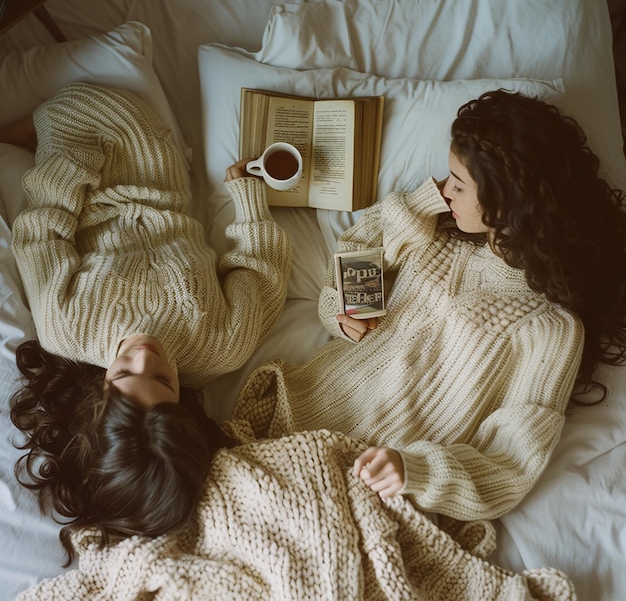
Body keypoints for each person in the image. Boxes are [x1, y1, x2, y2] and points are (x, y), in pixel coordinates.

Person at [233, 89, 626, 522]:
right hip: (313, 411)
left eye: (459, 184)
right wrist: (345, 314)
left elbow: (510, 462)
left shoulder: (551, 328)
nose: (445, 190)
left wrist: (415, 471)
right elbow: (360, 247)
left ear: (508, 202)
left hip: (385, 485)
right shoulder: (437, 233)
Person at [6, 82, 292, 561]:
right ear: (184, 407)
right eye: (163, 379)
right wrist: (249, 193)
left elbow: (41, 233)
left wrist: (74, 162)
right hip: (152, 161)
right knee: (92, 109)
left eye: (122, 374)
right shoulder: (221, 344)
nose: (143, 354)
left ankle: (30, 129)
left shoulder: (67, 329)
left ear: (96, 398)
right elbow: (259, 271)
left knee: (61, 108)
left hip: (78, 171)